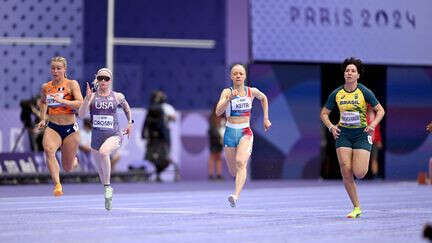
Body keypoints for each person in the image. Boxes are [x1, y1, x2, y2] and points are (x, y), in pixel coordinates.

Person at [320, 57, 385, 218]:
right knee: (346, 170)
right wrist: (331, 127)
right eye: (347, 70)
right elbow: (324, 114)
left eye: (353, 71)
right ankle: (356, 207)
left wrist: (373, 125)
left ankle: (363, 162)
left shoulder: (364, 92)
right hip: (343, 135)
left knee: (360, 172)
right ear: (344, 74)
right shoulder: (337, 93)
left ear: (358, 76)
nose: (349, 73)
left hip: (361, 135)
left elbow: (381, 110)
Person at [215, 64, 271, 207]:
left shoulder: (251, 91)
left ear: (245, 76)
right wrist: (228, 99)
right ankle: (237, 180)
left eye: (241, 73)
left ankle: (236, 195)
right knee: (233, 171)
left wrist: (266, 118)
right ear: (231, 77)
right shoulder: (226, 92)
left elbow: (263, 98)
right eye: (235, 74)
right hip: (229, 132)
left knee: (241, 162)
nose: (238, 76)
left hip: (245, 131)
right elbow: (217, 112)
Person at [78, 68, 133, 210]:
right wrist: (86, 99)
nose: (103, 81)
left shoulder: (117, 96)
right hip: (96, 138)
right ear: (97, 79)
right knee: (101, 171)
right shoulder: (92, 97)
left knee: (104, 153)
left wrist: (130, 123)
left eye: (106, 78)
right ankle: (107, 192)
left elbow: (127, 108)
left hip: (114, 135)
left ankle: (108, 187)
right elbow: (82, 115)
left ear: (110, 81)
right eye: (101, 78)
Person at [35, 56, 83, 197]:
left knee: (67, 167)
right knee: (49, 150)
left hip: (70, 129)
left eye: (58, 68)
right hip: (53, 126)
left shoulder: (72, 84)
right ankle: (57, 185)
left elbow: (80, 102)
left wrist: (63, 101)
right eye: (53, 68)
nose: (55, 71)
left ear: (64, 69)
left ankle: (74, 160)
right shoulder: (46, 87)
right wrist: (43, 118)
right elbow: (43, 102)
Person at [141, 91, 172, 182]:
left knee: (157, 158)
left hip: (156, 138)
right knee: (152, 158)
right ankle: (148, 175)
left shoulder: (156, 109)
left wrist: (143, 134)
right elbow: (159, 125)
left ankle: (156, 174)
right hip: (156, 139)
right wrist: (166, 138)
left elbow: (146, 123)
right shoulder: (157, 109)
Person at [207, 104, 225, 180]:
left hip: (220, 139)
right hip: (214, 139)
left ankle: (218, 174)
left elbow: (224, 128)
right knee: (212, 156)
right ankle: (211, 174)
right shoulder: (212, 117)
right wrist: (218, 137)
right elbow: (211, 130)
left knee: (218, 157)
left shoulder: (223, 117)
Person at [366, 104, 383, 178]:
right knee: (363, 159)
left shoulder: (376, 116)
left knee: (374, 158)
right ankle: (361, 175)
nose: (370, 108)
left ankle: (375, 175)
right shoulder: (363, 116)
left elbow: (377, 130)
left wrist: (379, 140)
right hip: (365, 141)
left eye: (372, 106)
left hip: (374, 141)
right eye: (369, 106)